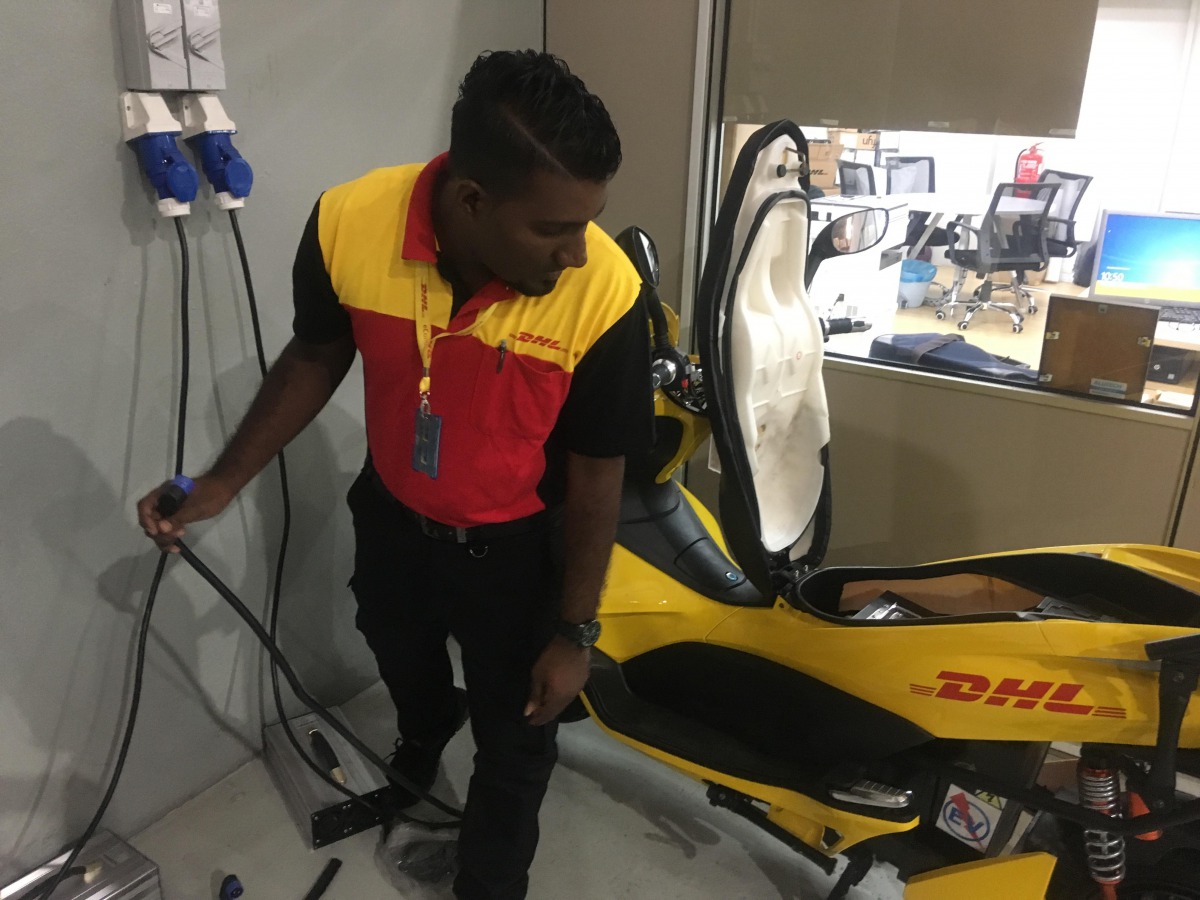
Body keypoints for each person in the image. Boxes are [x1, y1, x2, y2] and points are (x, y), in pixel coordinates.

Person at [137, 50, 653, 900]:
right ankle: (423, 729)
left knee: (516, 738)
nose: (574, 254)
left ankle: (489, 886)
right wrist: (221, 483)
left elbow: (600, 476)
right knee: (396, 648)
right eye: (554, 230)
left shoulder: (605, 294)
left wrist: (575, 634)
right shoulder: (350, 222)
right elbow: (314, 355)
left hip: (519, 552)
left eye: (584, 226)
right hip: (394, 517)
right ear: (472, 201)